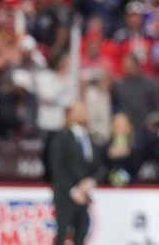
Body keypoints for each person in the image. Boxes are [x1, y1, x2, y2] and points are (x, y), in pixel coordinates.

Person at [49, 103, 103, 245]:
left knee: (82, 232)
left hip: (84, 196)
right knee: (61, 235)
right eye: (77, 111)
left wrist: (90, 181)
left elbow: (97, 166)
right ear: (69, 115)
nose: (82, 114)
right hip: (66, 196)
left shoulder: (91, 139)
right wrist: (74, 190)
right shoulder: (61, 138)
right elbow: (58, 168)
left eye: (84, 110)